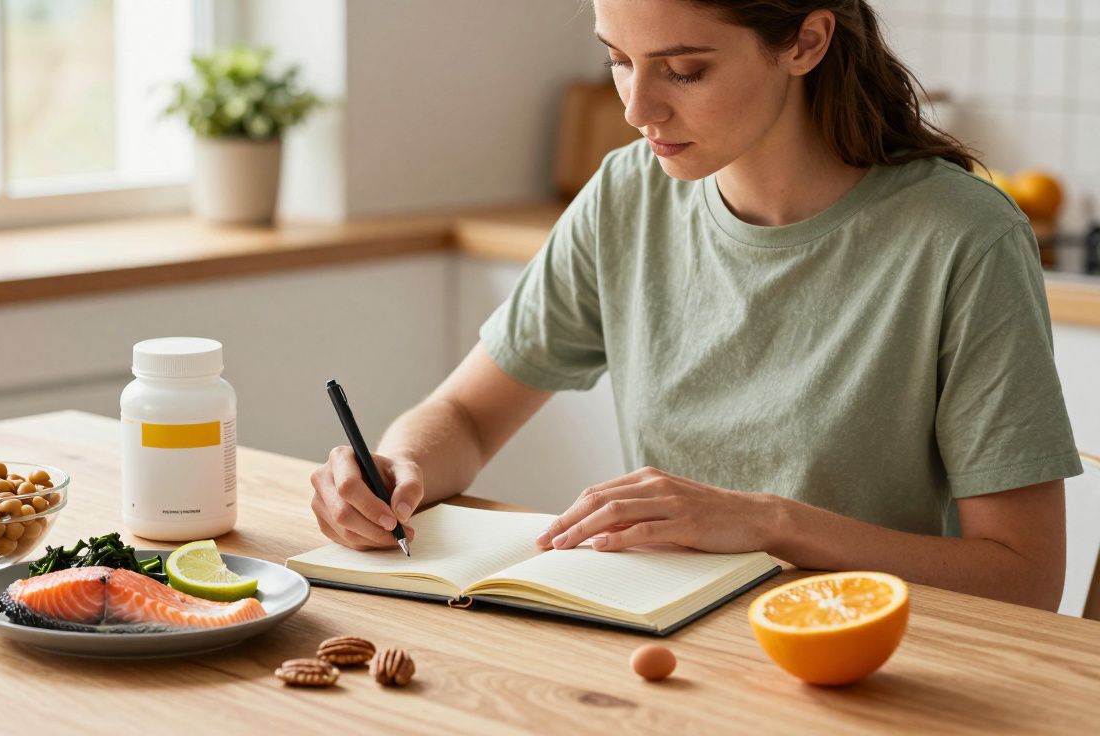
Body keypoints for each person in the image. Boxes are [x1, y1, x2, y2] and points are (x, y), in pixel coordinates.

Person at [308, 0, 1082, 610]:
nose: (638, 108)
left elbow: (1022, 577)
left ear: (805, 43)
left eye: (683, 71)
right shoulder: (624, 196)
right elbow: (470, 417)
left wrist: (771, 523)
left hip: (872, 664)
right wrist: (399, 465)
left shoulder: (963, 237)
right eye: (618, 61)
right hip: (672, 650)